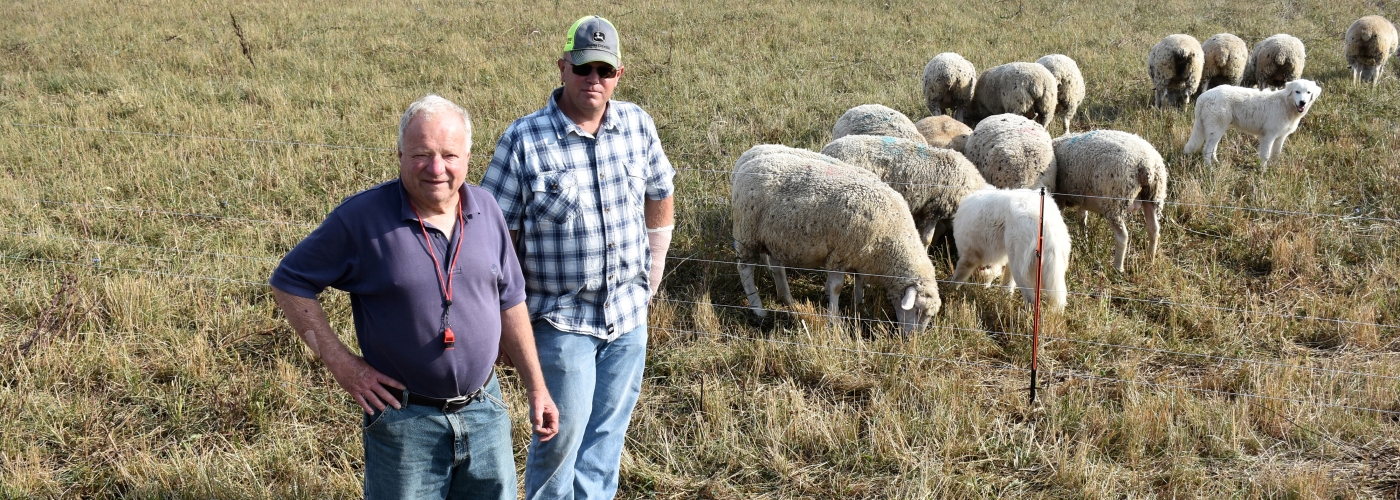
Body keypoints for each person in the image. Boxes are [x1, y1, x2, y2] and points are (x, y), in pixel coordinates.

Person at [269, 94, 559, 500]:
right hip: (405, 422)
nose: (437, 169)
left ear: (468, 156)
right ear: (400, 154)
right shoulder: (361, 219)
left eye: (449, 155)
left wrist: (536, 388)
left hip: (485, 411)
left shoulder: (488, 209)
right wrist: (343, 364)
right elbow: (290, 281)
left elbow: (510, 301)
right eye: (422, 154)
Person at [480, 14, 675, 500]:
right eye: (583, 67)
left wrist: (653, 272)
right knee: (558, 442)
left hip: (628, 319)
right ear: (562, 66)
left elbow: (660, 190)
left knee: (606, 442)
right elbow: (492, 238)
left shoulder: (636, 126)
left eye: (604, 71)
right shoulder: (523, 141)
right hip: (560, 321)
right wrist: (503, 326)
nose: (593, 80)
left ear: (619, 75)